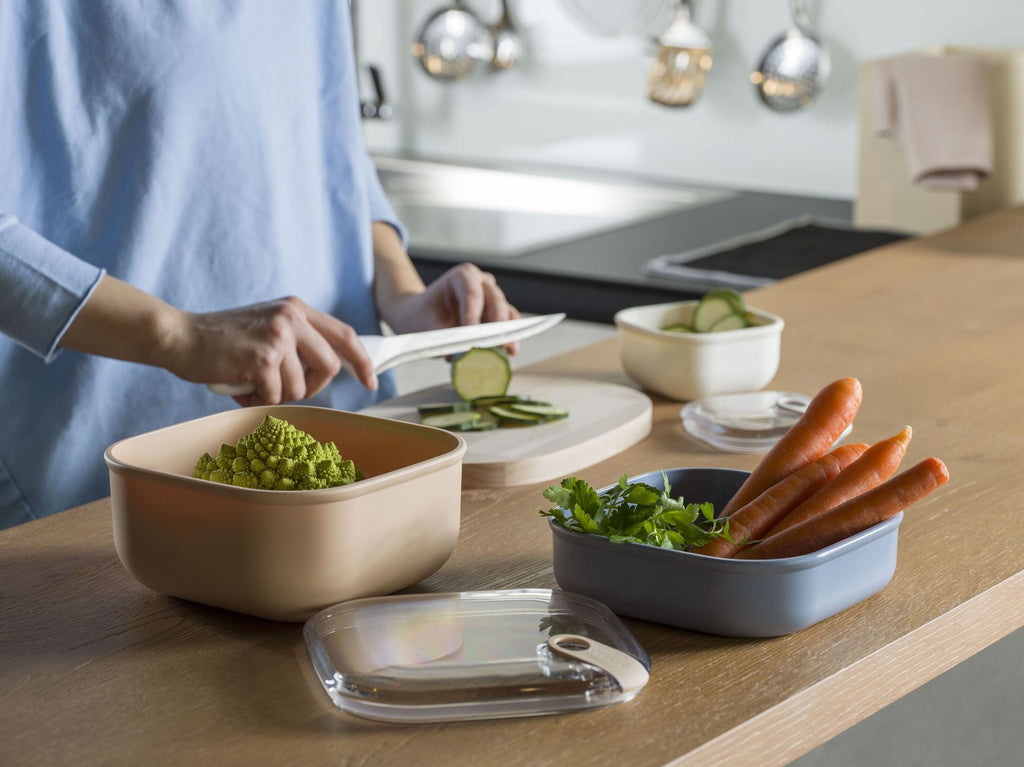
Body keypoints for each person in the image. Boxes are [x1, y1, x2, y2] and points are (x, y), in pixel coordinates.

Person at [0, 1, 519, 529]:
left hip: (340, 454)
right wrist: (176, 334)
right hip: (94, 484)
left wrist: (403, 294)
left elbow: (328, 146)